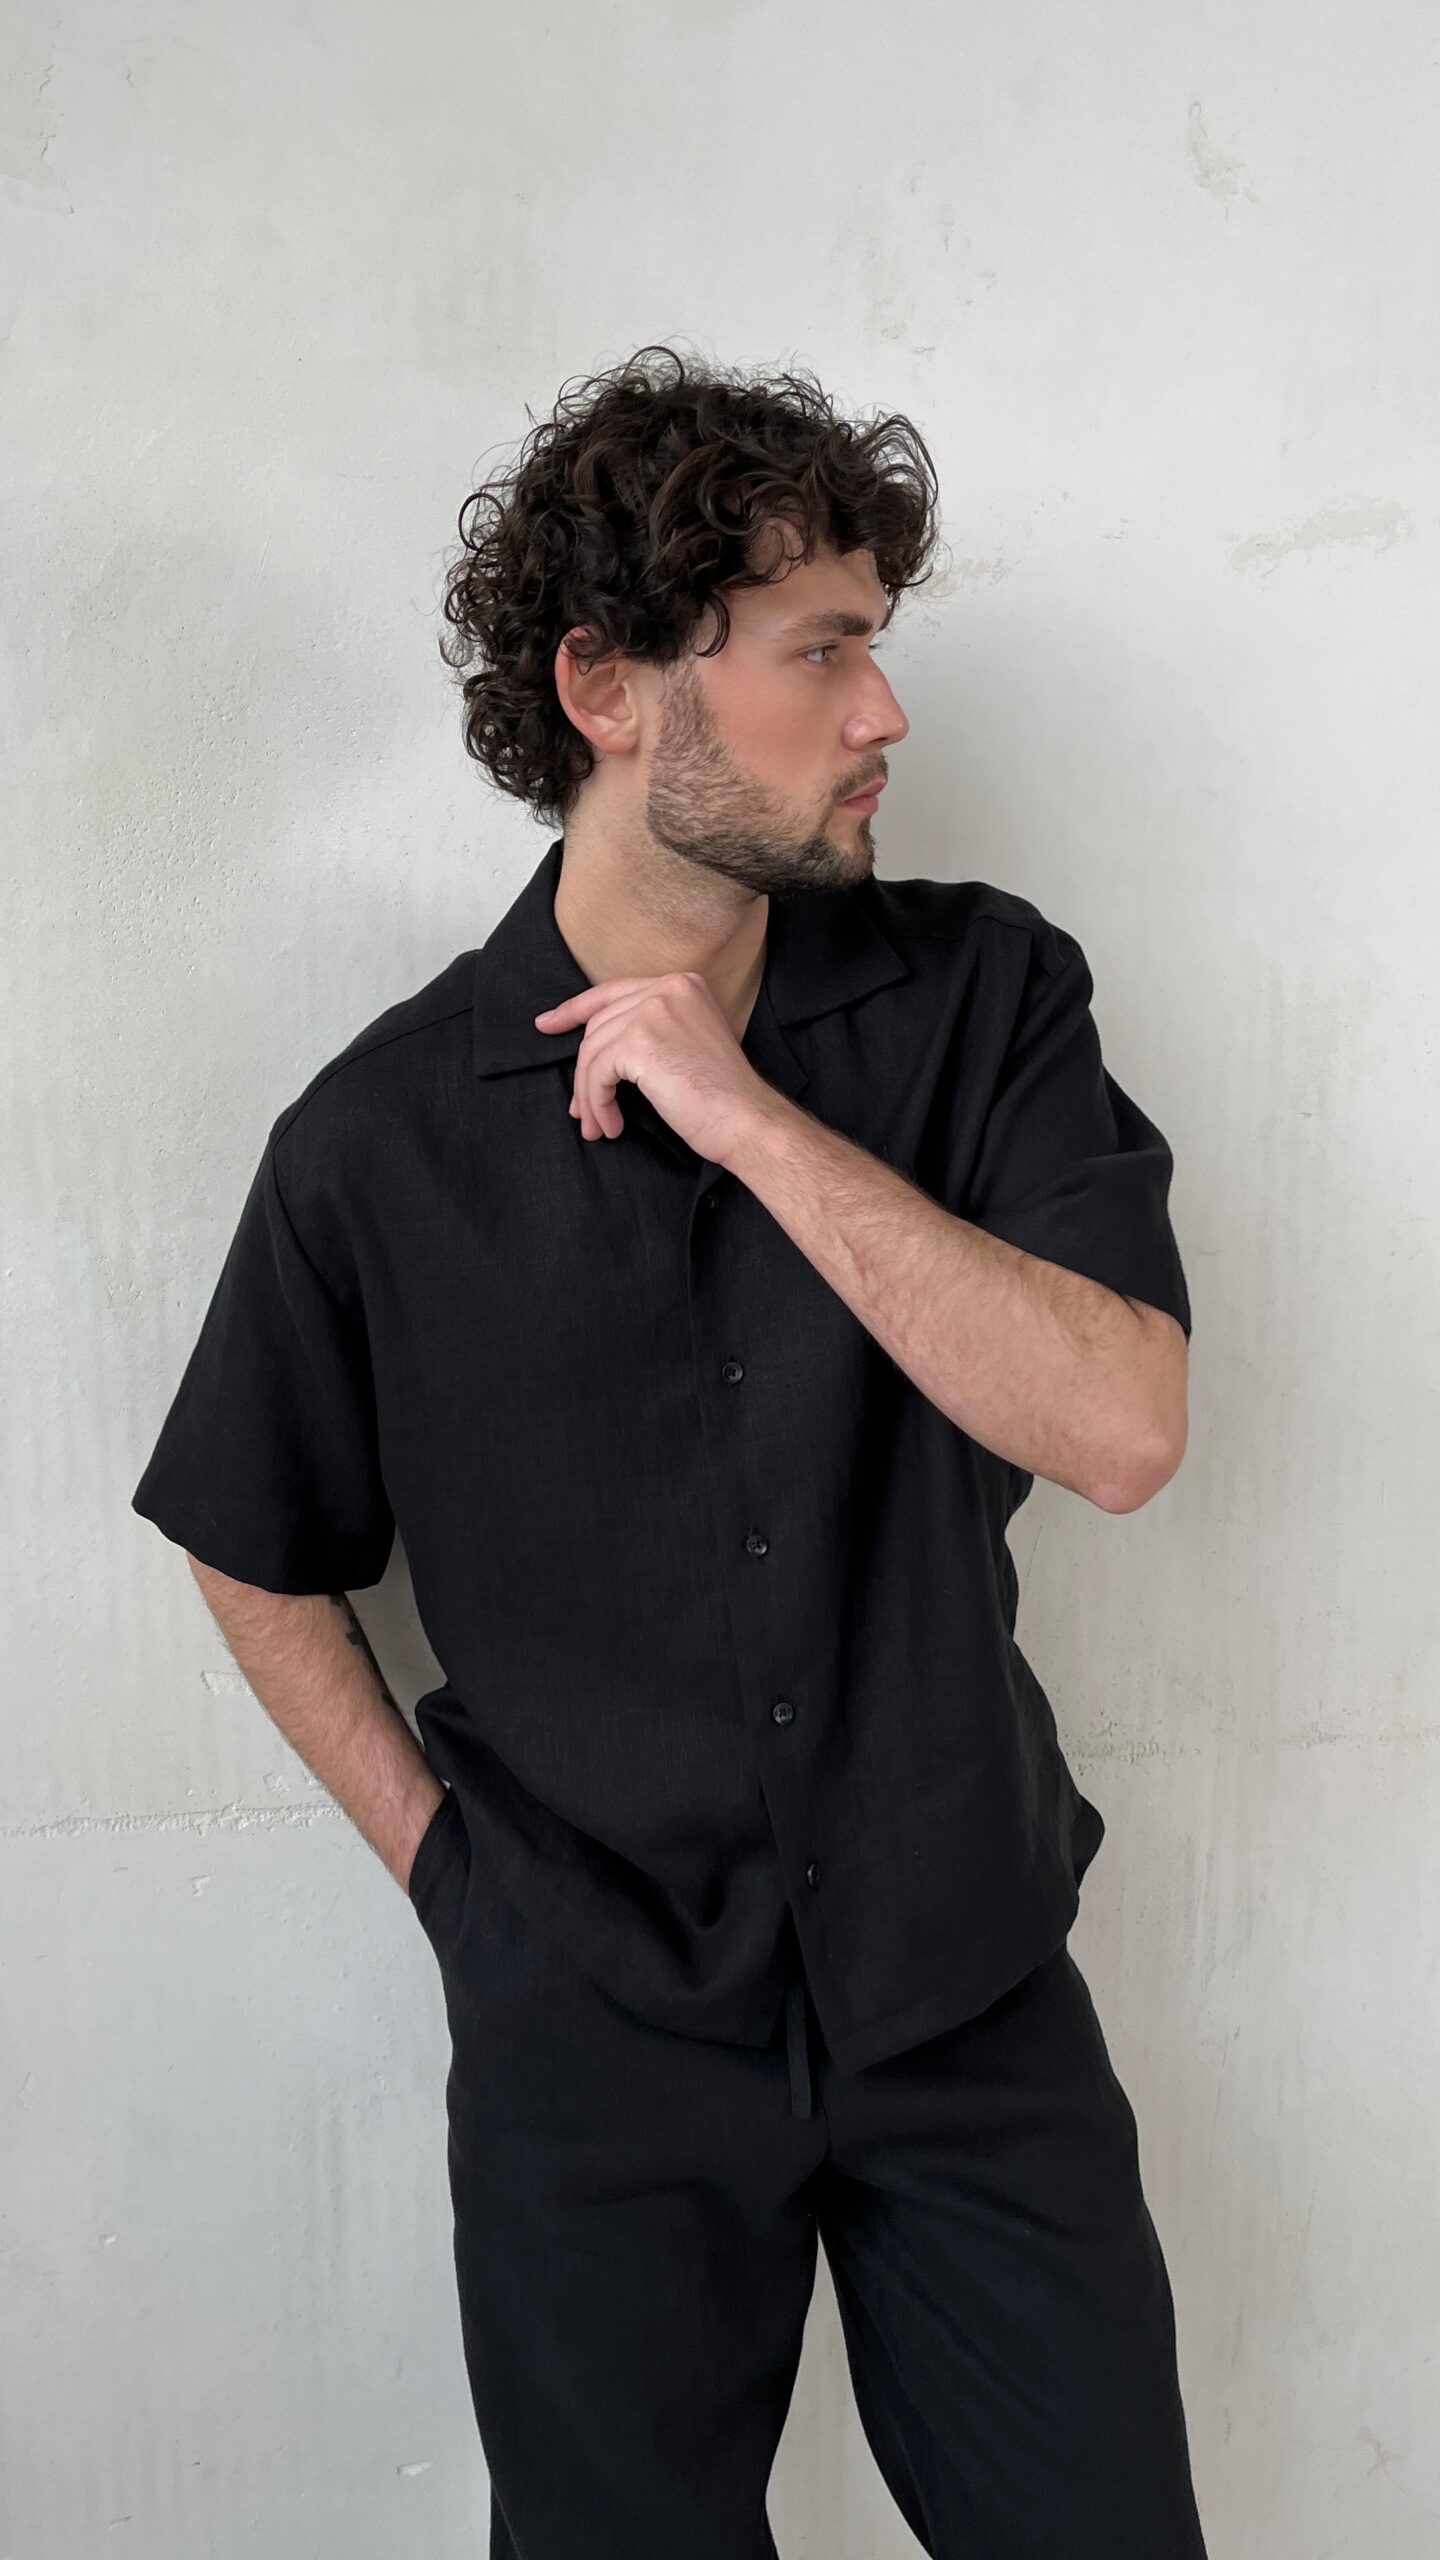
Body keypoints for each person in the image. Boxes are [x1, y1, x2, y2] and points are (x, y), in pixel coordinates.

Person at [131, 344, 1208, 2559]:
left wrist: (751, 1118)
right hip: (594, 2035)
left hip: (963, 1986)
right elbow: (249, 1537)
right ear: (606, 686)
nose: (882, 711)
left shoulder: (989, 1000)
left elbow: (1121, 1425)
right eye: (818, 650)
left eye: (877, 645)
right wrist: (453, 1880)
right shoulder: (376, 1139)